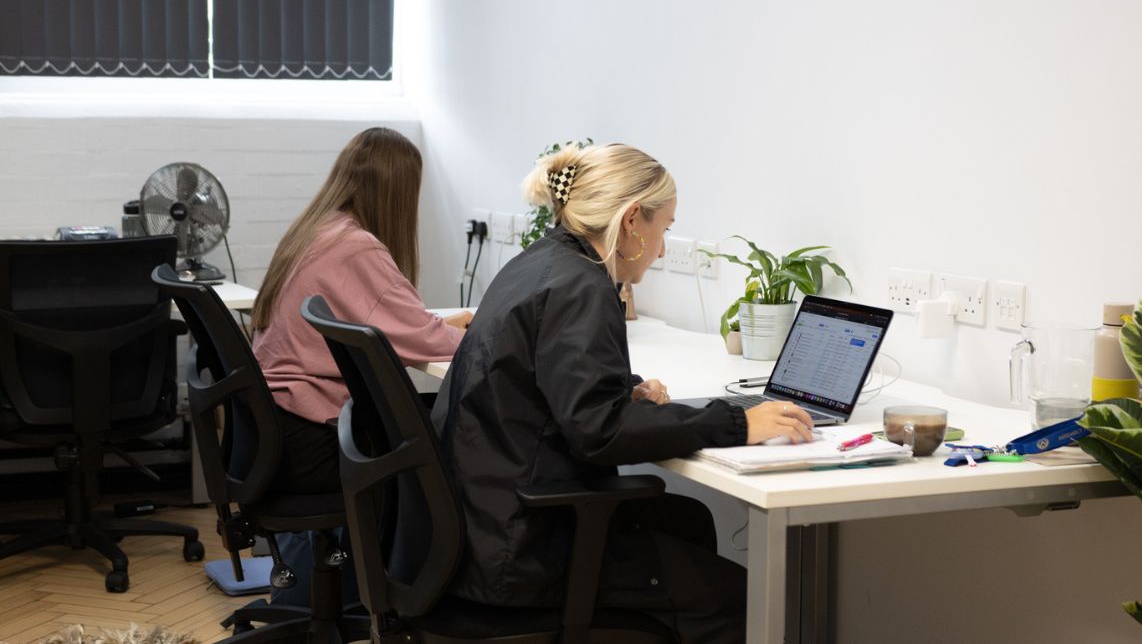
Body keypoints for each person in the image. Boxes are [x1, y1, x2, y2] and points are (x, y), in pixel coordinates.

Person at [431, 142, 814, 642]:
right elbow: (600, 433)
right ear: (633, 220)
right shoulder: (582, 287)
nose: (662, 247)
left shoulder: (542, 263)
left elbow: (547, 382)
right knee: (749, 599)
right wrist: (738, 422)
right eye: (666, 228)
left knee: (687, 519)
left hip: (477, 526)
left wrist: (620, 391)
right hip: (518, 551)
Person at [252, 126, 471, 496]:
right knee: (460, 426)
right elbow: (425, 338)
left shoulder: (317, 229)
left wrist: (439, 327)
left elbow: (390, 326)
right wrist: (486, 335)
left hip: (275, 428)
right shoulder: (356, 247)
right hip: (311, 442)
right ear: (397, 193)